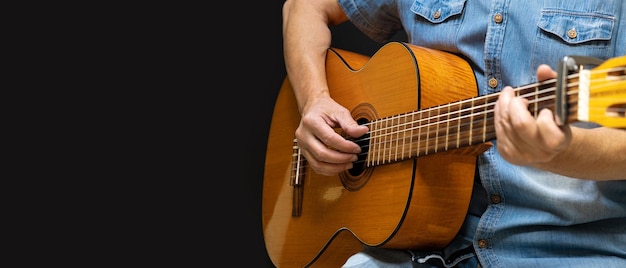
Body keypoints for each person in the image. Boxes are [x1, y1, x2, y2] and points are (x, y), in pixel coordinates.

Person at [280, 0, 626, 267]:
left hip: (569, 250)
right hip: (409, 249)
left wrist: (562, 152)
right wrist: (315, 99)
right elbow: (304, 8)